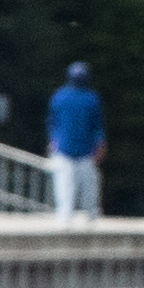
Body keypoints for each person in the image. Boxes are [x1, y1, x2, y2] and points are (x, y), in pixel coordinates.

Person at [44, 62, 103, 216]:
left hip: (67, 148)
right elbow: (98, 126)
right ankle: (89, 214)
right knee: (86, 186)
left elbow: (52, 123)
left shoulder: (59, 96)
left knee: (66, 185)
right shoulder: (91, 98)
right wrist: (100, 145)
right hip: (83, 149)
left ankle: (66, 215)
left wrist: (52, 141)